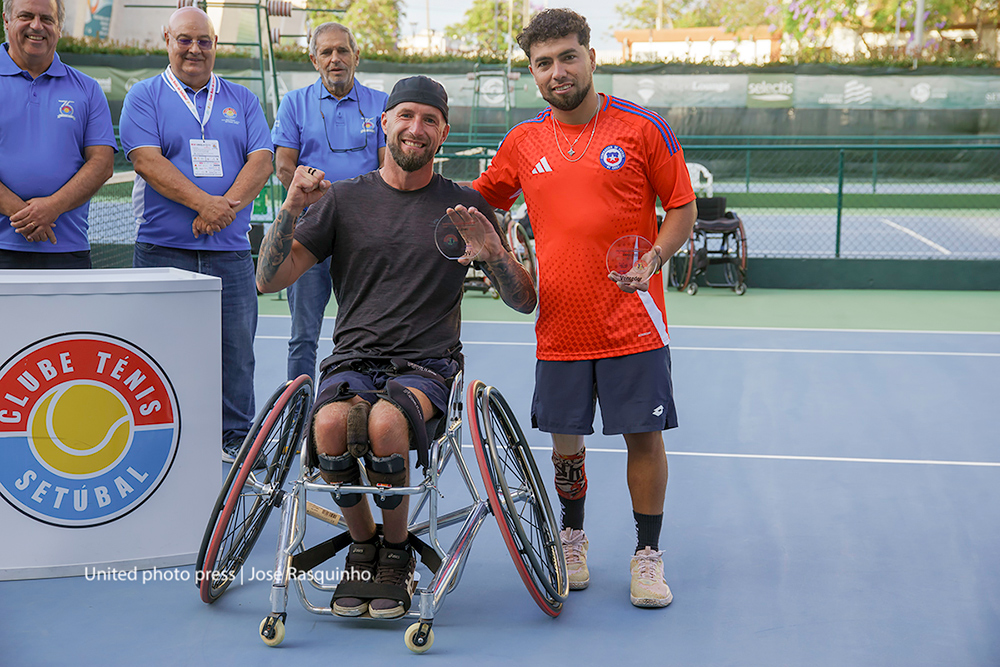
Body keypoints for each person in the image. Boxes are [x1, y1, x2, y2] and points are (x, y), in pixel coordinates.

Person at [256, 76, 536, 620]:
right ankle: (365, 549)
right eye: (406, 115)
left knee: (385, 425)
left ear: (444, 133)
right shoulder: (342, 199)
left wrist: (495, 255)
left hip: (428, 364)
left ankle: (398, 550)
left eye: (430, 120)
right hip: (354, 360)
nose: (416, 128)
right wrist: (290, 206)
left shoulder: (467, 206)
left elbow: (524, 301)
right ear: (383, 122)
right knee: (329, 425)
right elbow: (270, 279)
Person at [471, 8, 697, 608]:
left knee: (643, 438)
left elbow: (681, 207)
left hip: (633, 321)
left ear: (591, 58)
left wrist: (655, 257)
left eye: (568, 57)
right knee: (565, 446)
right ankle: (571, 540)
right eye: (543, 63)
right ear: (533, 72)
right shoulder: (523, 142)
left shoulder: (642, 128)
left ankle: (647, 555)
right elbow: (480, 199)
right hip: (560, 326)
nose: (557, 71)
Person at [118, 6, 273, 462]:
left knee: (236, 352)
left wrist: (221, 210)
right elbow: (146, 159)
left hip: (230, 252)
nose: (194, 49)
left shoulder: (242, 99)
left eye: (204, 40)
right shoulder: (144, 95)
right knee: (157, 348)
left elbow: (261, 160)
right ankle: (158, 435)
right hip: (162, 251)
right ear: (167, 39)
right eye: (184, 39)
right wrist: (205, 204)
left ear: (215, 45)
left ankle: (235, 436)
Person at [272, 22, 387, 383]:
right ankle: (298, 408)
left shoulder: (382, 104)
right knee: (303, 336)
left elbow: (388, 167)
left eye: (342, 50)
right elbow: (283, 165)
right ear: (314, 60)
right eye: (326, 52)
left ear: (356, 56)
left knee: (371, 332)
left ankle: (363, 399)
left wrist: (355, 205)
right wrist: (319, 199)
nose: (335, 58)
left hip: (364, 235)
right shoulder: (294, 103)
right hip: (311, 231)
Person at [0, 0, 116, 269]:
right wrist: (24, 214)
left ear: (60, 27)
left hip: (67, 249)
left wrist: (52, 207)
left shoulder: (88, 89)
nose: (36, 26)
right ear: (6, 20)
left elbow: (102, 163)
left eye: (47, 19)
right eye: (26, 16)